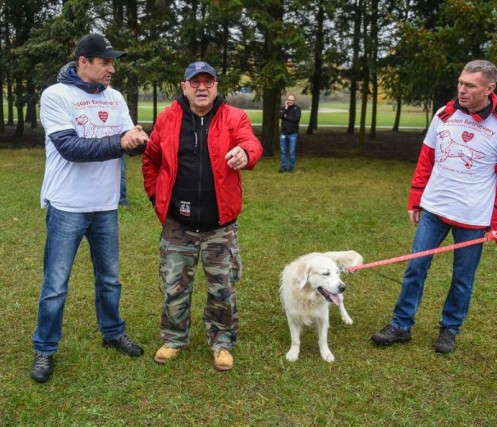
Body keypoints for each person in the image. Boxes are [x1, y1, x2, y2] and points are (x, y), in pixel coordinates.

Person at [371, 59, 497, 353]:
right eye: (460, 83)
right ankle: (401, 325)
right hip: (434, 209)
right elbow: (426, 157)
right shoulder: (445, 114)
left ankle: (449, 329)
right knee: (415, 267)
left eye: (470, 85)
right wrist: (416, 199)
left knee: (462, 278)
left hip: (474, 217)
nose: (461, 90)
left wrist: (496, 223)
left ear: (490, 88)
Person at [31, 34, 149, 383]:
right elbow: (70, 147)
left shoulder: (115, 98)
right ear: (84, 61)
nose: (112, 68)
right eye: (105, 62)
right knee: (55, 284)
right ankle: (45, 348)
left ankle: (112, 332)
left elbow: (127, 141)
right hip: (67, 204)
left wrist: (137, 141)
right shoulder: (56, 95)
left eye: (113, 63)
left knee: (110, 279)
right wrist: (119, 141)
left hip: (105, 205)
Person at [142, 61, 262, 371]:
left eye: (208, 82)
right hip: (177, 225)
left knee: (223, 288)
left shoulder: (234, 117)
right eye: (195, 82)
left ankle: (221, 342)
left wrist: (246, 154)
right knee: (174, 285)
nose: (201, 87)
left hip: (219, 226)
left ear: (216, 86)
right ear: (184, 86)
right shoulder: (168, 119)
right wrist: (159, 199)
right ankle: (173, 338)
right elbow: (151, 160)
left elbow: (252, 143)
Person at [279, 95, 301, 173]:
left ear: (294, 101)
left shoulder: (297, 109)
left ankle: (291, 168)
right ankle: (283, 167)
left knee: (291, 152)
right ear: (287, 100)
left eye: (292, 100)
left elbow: (295, 119)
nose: (290, 101)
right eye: (289, 100)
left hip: (293, 134)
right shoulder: (284, 108)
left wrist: (286, 117)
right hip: (283, 133)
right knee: (283, 151)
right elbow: (280, 116)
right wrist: (285, 108)